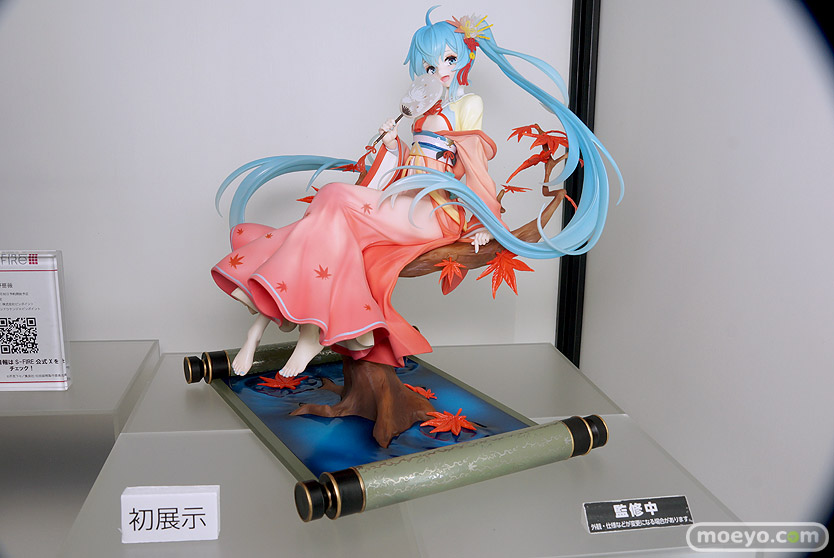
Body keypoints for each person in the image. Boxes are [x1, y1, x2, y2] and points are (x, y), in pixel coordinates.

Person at [211, 9, 622, 378]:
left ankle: (272, 304)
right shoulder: (424, 108)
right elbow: (415, 162)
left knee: (333, 199)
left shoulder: (468, 105)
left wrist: (485, 221)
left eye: (448, 60)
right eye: (430, 64)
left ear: (464, 60)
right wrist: (393, 146)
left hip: (437, 210)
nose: (439, 70)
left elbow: (472, 164)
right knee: (332, 206)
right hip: (407, 196)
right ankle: (319, 328)